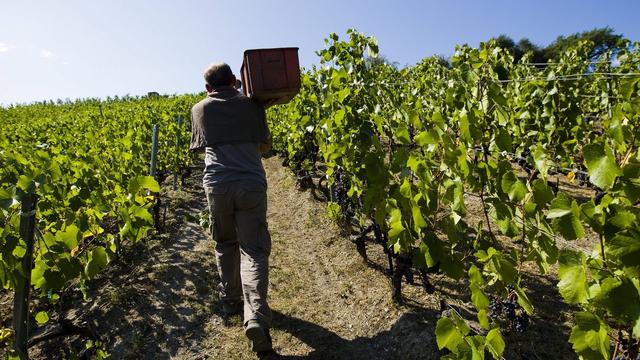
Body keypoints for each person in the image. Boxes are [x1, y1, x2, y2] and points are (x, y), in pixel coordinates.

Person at [189, 62, 274, 355]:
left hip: (217, 187)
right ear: (236, 81)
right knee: (254, 250)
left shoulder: (199, 109)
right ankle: (256, 317)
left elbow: (201, 147)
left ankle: (230, 300)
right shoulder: (253, 106)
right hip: (250, 185)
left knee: (225, 243)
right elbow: (265, 148)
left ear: (208, 88)